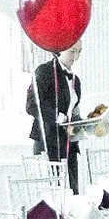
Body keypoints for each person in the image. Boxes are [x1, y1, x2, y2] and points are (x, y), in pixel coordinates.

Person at [29, 41, 85, 193]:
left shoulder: (75, 80)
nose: (76, 56)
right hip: (48, 143)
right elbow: (32, 105)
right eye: (73, 51)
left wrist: (84, 123)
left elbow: (73, 111)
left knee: (73, 193)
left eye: (79, 51)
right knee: (54, 194)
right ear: (60, 49)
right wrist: (58, 117)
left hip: (70, 144)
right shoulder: (44, 71)